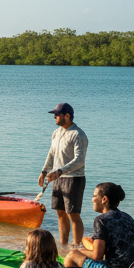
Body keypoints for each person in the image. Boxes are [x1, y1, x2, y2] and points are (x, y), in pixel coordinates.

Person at [63, 182, 134, 268]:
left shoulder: (101, 220)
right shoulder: (127, 217)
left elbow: (97, 256)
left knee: (72, 255)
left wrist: (77, 251)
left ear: (104, 199)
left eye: (94, 196)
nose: (92, 199)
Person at [39, 103, 89, 249]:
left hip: (74, 178)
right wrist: (44, 171)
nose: (54, 116)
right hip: (57, 178)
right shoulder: (56, 133)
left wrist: (60, 171)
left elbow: (80, 161)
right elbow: (51, 154)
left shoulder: (78, 134)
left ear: (67, 116)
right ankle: (63, 246)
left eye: (57, 114)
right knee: (60, 213)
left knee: (73, 214)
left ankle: (76, 246)